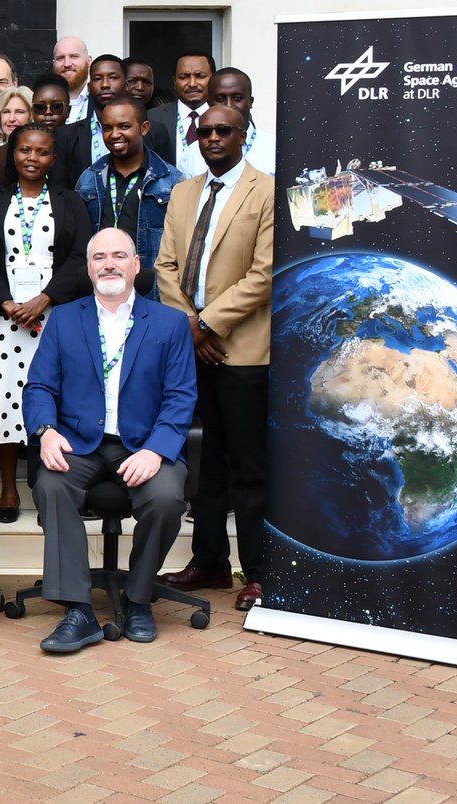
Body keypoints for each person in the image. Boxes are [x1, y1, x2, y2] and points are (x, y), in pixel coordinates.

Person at [24, 227, 197, 654]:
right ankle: (78, 611)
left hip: (144, 444)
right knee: (52, 484)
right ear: (88, 268)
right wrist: (46, 432)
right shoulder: (65, 318)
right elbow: (39, 386)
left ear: (137, 265)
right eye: (99, 257)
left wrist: (156, 450)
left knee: (166, 497)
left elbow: (180, 396)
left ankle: (139, 598)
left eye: (119, 256)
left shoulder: (170, 322)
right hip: (78, 442)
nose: (109, 265)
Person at [156, 102, 275, 611]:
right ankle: (209, 561)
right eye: (204, 132)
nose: (212, 139)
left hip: (241, 350)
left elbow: (264, 275)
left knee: (248, 466)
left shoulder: (266, 191)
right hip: (191, 349)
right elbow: (164, 266)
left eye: (223, 130)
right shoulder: (183, 192)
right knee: (203, 466)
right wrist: (190, 325)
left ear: (243, 134)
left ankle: (259, 572)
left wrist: (206, 324)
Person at [0, 123, 91, 524]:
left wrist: (45, 298)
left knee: (52, 399)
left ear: (53, 159)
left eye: (42, 152)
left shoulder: (70, 201)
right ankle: (9, 487)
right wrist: (4, 301)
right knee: (6, 401)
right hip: (4, 319)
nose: (32, 158)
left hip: (54, 317)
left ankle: (46, 486)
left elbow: (80, 256)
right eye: (25, 150)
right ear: (13, 153)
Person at [76, 97, 183, 298]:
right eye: (107, 128)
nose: (115, 134)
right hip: (101, 290)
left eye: (124, 126)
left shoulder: (171, 181)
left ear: (144, 128)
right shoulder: (89, 178)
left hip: (151, 292)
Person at [51, 54, 125, 190]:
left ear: (126, 85)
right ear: (89, 88)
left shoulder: (149, 132)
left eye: (113, 77)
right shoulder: (66, 135)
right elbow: (60, 190)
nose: (105, 85)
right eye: (97, 79)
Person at [204, 67, 275, 174]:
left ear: (250, 102)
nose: (229, 106)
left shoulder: (275, 150)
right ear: (209, 104)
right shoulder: (192, 155)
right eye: (220, 99)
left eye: (237, 98)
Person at [148, 52, 212, 167]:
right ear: (174, 82)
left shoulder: (227, 118)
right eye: (184, 77)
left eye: (200, 76)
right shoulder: (152, 118)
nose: (192, 84)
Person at [52, 36, 93, 123]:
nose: (67, 64)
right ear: (53, 64)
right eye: (60, 58)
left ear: (89, 61)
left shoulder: (101, 101)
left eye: (74, 56)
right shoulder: (43, 104)